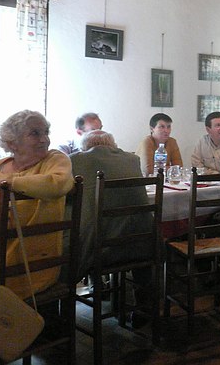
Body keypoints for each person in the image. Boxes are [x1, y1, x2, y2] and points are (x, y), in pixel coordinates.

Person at [0, 110, 74, 301]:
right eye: (35, 133)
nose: (44, 139)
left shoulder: (55, 160)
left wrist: (4, 184)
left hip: (23, 267)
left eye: (46, 132)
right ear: (12, 142)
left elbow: (59, 184)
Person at [71, 129, 153, 327]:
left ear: (85, 148)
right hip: (145, 246)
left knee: (75, 239)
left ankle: (62, 318)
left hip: (102, 251)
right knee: (137, 230)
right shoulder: (132, 159)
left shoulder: (75, 160)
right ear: (113, 145)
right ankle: (144, 307)